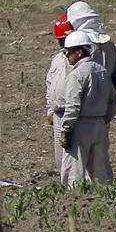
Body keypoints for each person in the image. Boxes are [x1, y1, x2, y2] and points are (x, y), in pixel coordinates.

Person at [66, 1, 116, 181]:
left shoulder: (80, 44)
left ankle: (76, 198)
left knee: (77, 164)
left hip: (81, 115)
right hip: (101, 111)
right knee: (100, 162)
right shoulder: (108, 43)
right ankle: (105, 195)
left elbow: (74, 86)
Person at [59, 30, 116, 188]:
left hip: (81, 125)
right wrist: (104, 119)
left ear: (78, 52)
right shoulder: (102, 71)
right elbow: (114, 101)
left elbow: (73, 105)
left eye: (69, 52)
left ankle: (74, 200)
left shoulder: (77, 74)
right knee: (100, 172)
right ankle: (106, 199)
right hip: (99, 124)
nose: (67, 56)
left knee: (74, 171)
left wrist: (66, 128)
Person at [45, 15, 73, 172]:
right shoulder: (57, 59)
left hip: (74, 114)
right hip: (58, 115)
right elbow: (50, 84)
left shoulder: (81, 59)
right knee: (61, 160)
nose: (63, 44)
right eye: (60, 41)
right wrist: (50, 109)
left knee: (75, 159)